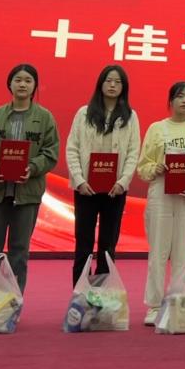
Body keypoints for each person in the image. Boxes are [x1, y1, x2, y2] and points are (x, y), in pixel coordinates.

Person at [0, 63, 59, 293]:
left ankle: (12, 301)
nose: (22, 84)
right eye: (18, 80)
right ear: (9, 84)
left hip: (27, 195)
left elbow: (51, 152)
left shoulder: (45, 118)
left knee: (19, 252)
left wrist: (33, 167)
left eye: (28, 81)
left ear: (34, 86)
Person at [137, 81, 185, 326]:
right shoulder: (157, 129)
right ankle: (154, 305)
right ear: (170, 101)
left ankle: (177, 300)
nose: (184, 100)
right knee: (158, 252)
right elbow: (143, 165)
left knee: (182, 253)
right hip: (161, 194)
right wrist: (155, 168)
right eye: (180, 96)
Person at [65, 65, 141, 287]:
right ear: (100, 84)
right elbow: (72, 148)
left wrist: (123, 181)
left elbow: (133, 152)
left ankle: (104, 294)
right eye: (108, 80)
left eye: (118, 82)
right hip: (85, 189)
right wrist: (79, 180)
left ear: (124, 87)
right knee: (84, 244)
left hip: (115, 191)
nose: (112, 85)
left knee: (108, 245)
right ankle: (80, 292)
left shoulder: (130, 117)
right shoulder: (84, 113)